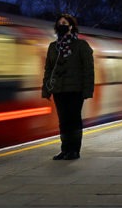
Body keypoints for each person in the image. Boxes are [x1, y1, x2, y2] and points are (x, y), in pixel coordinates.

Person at [41, 13, 95, 160]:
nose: (62, 25)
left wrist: (87, 90)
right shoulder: (53, 47)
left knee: (74, 119)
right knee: (63, 121)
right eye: (59, 23)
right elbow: (48, 69)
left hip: (75, 90)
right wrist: (46, 90)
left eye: (65, 23)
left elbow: (88, 69)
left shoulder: (81, 45)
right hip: (59, 90)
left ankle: (74, 150)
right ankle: (65, 149)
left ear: (71, 26)